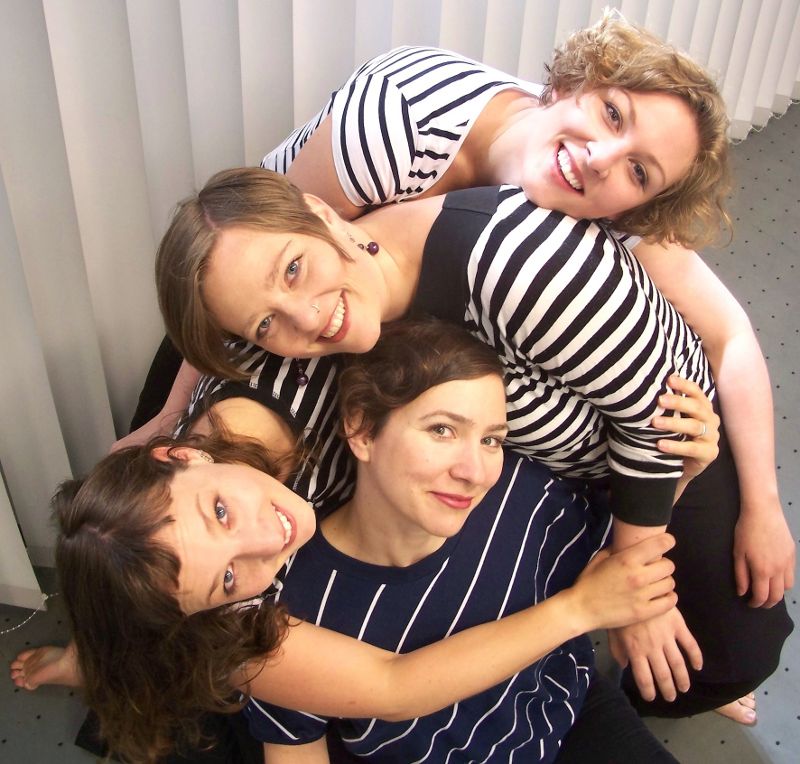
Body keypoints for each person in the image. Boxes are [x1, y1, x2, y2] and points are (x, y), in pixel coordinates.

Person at [150, 165, 791, 720]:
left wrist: (638, 587)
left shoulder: (518, 258)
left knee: (732, 656)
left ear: (321, 213)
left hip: (662, 437)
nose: (309, 318)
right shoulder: (320, 351)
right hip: (542, 463)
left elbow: (657, 418)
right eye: (266, 323)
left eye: (294, 268)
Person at [12, 321, 696, 764]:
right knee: (168, 660)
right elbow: (390, 688)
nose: (266, 538)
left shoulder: (291, 396)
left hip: (558, 705)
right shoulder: (265, 607)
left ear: (184, 455)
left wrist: (679, 466)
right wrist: (582, 609)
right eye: (228, 578)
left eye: (221, 511)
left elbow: (216, 311)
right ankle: (97, 662)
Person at [244, 318, 680, 762]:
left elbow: (615, 572)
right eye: (442, 430)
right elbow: (296, 748)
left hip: (570, 713)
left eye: (491, 440)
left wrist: (682, 468)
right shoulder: (293, 605)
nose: (474, 473)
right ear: (362, 429)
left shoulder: (525, 495)